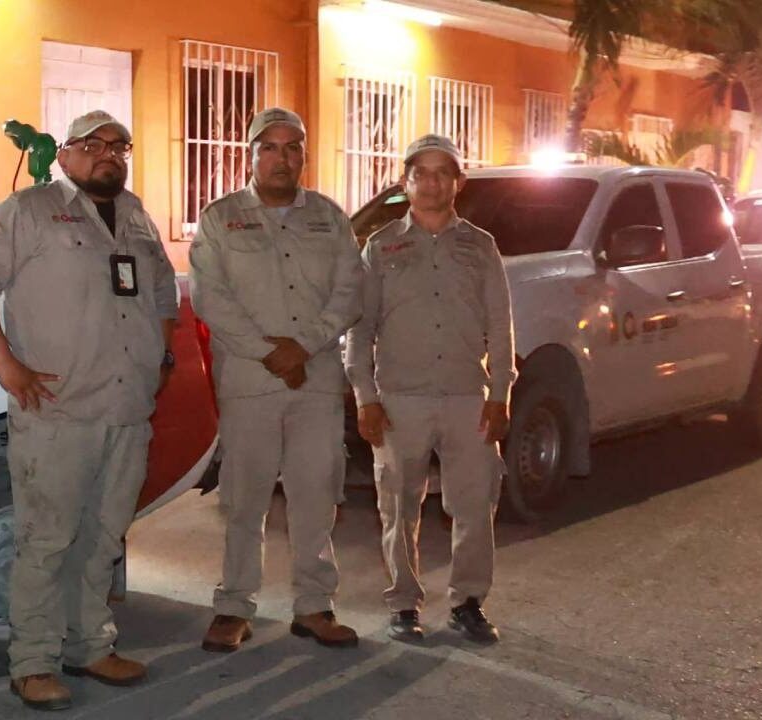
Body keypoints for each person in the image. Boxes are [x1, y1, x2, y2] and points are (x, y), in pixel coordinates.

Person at [0, 110, 177, 710]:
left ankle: (90, 646)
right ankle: (33, 661)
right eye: (93, 144)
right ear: (66, 153)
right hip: (59, 409)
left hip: (127, 408)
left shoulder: (136, 217)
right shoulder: (27, 211)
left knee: (104, 537)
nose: (109, 154)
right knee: (46, 539)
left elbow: (161, 295)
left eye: (119, 145)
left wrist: (161, 356)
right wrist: (7, 366)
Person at [189, 107, 363, 653]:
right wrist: (271, 353)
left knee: (316, 495)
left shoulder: (330, 220)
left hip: (314, 380)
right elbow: (210, 298)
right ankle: (234, 605)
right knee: (245, 498)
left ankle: (314, 606)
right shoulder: (220, 219)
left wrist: (305, 347)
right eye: (270, 147)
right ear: (251, 155)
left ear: (304, 157)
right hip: (249, 379)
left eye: (293, 148)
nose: (282, 158)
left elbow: (350, 291)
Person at [344, 133, 516, 645]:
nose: (432, 181)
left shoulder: (480, 247)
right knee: (397, 504)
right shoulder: (380, 246)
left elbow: (501, 325)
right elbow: (361, 328)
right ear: (406, 181)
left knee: (474, 502)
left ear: (457, 183)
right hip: (400, 398)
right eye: (422, 172)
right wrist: (365, 397)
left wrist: (501, 393)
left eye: (444, 172)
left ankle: (467, 601)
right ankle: (403, 603)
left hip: (467, 395)